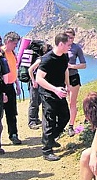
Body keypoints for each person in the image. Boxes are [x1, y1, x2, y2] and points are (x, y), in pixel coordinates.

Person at [36, 33, 71, 161]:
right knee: (49, 120)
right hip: (48, 93)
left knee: (65, 116)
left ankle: (51, 139)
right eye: (68, 44)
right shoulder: (47, 59)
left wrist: (67, 84)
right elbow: (39, 78)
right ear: (61, 44)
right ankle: (47, 151)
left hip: (60, 91)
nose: (69, 47)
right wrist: (55, 89)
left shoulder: (64, 56)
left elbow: (65, 69)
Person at [1, 31, 22, 145]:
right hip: (2, 88)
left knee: (12, 112)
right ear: (8, 42)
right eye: (14, 44)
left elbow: (14, 70)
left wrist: (17, 85)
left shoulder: (12, 53)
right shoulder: (1, 54)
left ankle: (13, 134)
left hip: (11, 86)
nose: (16, 46)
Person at [65, 28, 87, 137]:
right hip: (61, 78)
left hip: (73, 77)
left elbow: (84, 64)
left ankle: (71, 126)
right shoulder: (61, 46)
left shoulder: (76, 48)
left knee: (72, 102)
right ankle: (61, 124)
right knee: (62, 102)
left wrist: (72, 66)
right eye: (68, 37)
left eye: (72, 38)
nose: (70, 40)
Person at [27, 43, 53, 130]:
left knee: (39, 101)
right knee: (34, 102)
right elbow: (30, 69)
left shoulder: (45, 60)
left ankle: (36, 119)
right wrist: (33, 81)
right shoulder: (40, 60)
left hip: (41, 83)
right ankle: (32, 121)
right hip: (35, 83)